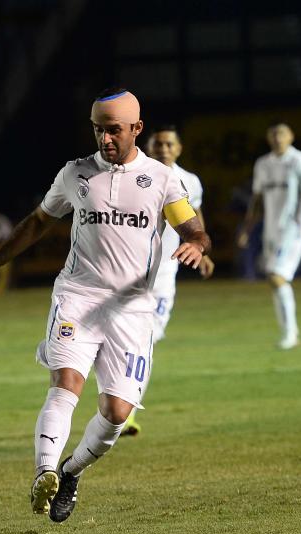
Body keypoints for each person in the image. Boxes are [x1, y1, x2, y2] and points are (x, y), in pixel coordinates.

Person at [0, 88, 211, 523]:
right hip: (77, 296)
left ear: (137, 129)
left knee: (116, 414)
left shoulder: (162, 179)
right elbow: (38, 221)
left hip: (132, 309)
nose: (105, 139)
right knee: (66, 382)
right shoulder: (76, 173)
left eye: (114, 130)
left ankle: (69, 472)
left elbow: (195, 229)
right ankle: (44, 471)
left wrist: (196, 244)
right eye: (98, 130)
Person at [121, 126, 215, 437]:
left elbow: (194, 217)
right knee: (130, 341)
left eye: (169, 144)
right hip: (128, 272)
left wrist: (201, 250)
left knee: (147, 339)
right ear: (149, 145)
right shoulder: (133, 175)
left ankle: (125, 412)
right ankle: (120, 409)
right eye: (158, 143)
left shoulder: (190, 181)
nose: (163, 148)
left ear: (179, 148)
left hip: (163, 275)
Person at [237, 123, 301, 350]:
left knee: (277, 276)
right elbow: (257, 200)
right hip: (271, 230)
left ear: (291, 136)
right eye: (273, 134)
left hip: (294, 229)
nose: (277, 137)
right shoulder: (263, 163)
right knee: (274, 280)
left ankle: (290, 334)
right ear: (268, 138)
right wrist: (247, 228)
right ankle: (289, 332)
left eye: (282, 133)